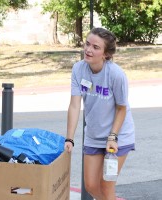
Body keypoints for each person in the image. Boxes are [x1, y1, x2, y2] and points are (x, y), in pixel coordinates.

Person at [64, 27, 135, 200]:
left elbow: (121, 108)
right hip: (94, 135)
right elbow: (74, 105)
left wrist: (113, 136)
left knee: (106, 186)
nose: (88, 49)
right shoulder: (78, 70)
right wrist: (69, 138)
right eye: (87, 44)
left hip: (118, 135)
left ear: (106, 54)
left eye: (96, 47)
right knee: (91, 186)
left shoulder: (116, 74)